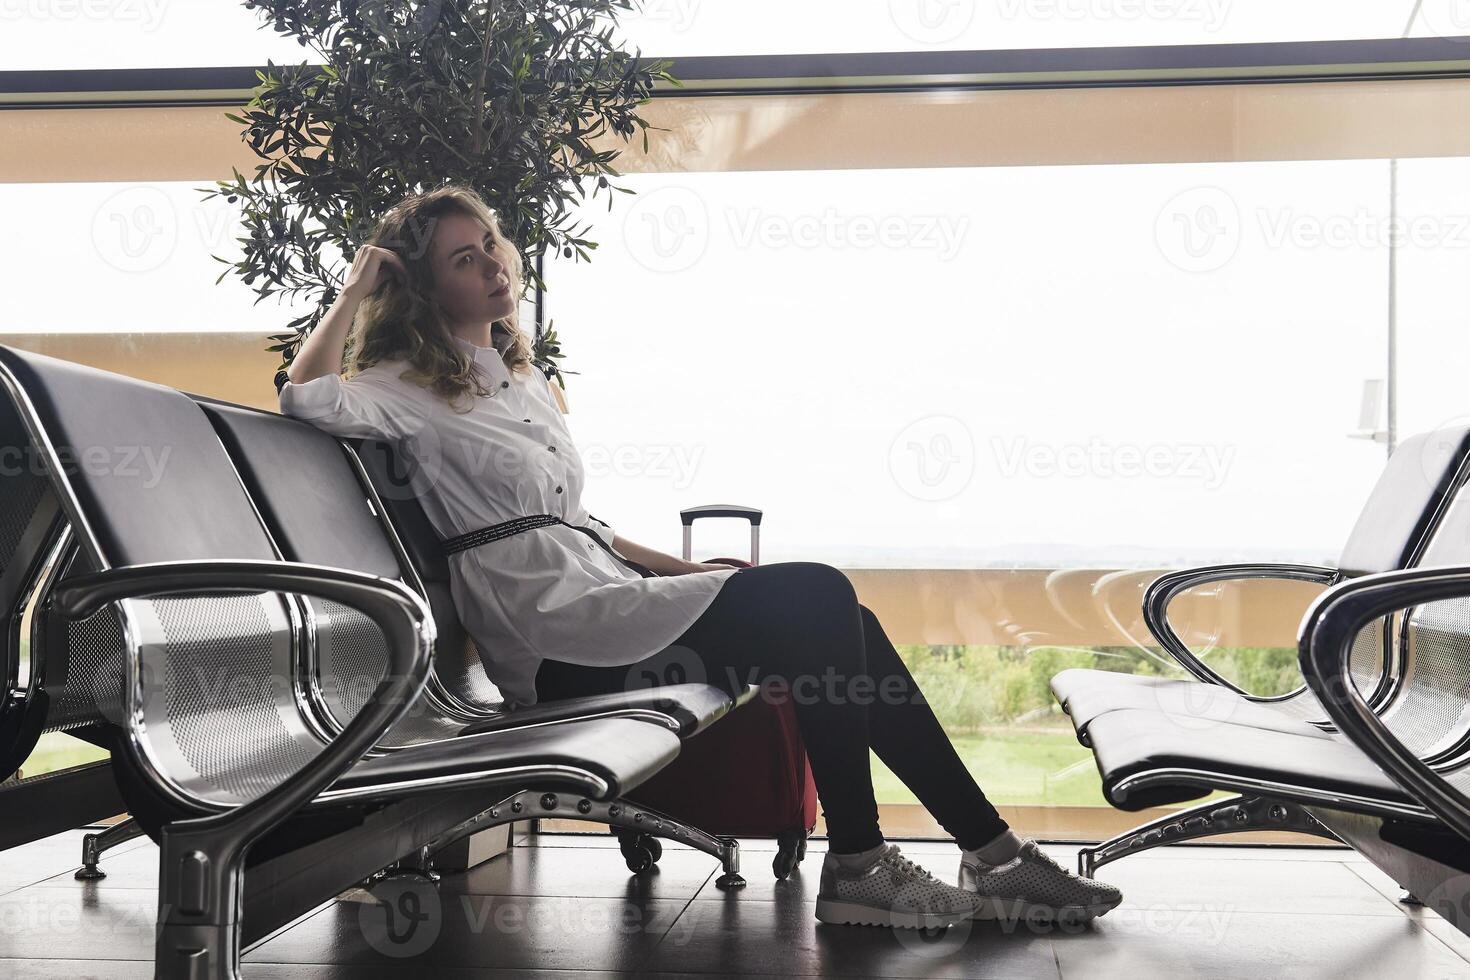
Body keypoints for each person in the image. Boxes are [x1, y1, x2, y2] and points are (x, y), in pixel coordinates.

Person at [279, 183, 1123, 931]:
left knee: (843, 616)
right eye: (465, 260)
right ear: (424, 289)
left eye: (492, 246)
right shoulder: (400, 388)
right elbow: (304, 396)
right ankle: (884, 863)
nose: (494, 267)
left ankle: (982, 853)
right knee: (823, 596)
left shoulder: (518, 381)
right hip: (560, 640)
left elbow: (586, 526)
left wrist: (701, 577)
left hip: (602, 601)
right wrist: (356, 290)